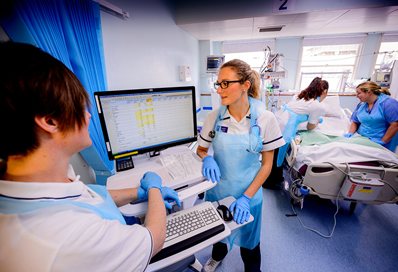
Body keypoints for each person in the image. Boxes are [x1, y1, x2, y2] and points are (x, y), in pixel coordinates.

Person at [0, 42, 181, 271]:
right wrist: (154, 189)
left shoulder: (32, 175)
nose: (88, 117)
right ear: (50, 121)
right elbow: (154, 238)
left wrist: (137, 192)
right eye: (77, 106)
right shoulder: (64, 237)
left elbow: (86, 197)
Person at [197, 59, 285, 272]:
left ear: (245, 85)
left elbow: (267, 165)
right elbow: (201, 149)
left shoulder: (265, 119)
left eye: (226, 83)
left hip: (250, 193)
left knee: (250, 244)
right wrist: (206, 158)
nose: (220, 90)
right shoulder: (214, 118)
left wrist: (246, 198)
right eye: (218, 84)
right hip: (219, 191)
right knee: (219, 234)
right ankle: (217, 257)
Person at [263, 77, 329, 189]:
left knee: (274, 152)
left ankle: (271, 179)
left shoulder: (301, 96)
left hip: (279, 120)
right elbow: (310, 127)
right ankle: (271, 182)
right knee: (279, 154)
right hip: (286, 127)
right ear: (325, 91)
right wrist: (318, 121)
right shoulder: (317, 105)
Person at [344, 81, 398, 152]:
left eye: (359, 93)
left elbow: (395, 125)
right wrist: (350, 133)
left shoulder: (388, 103)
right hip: (362, 138)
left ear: (369, 92)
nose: (356, 95)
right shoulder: (362, 105)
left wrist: (382, 141)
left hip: (380, 142)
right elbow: (355, 121)